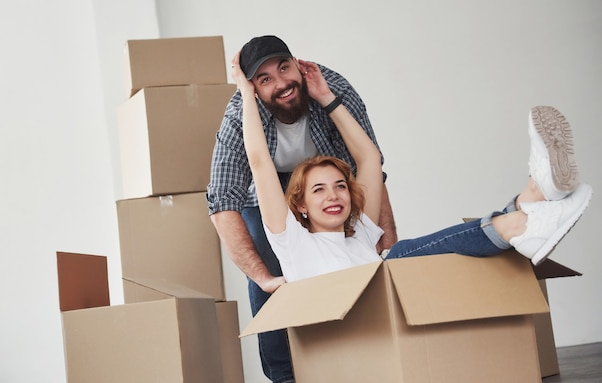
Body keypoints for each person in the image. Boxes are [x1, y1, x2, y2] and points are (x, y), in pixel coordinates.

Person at [232, 50, 592, 286]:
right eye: (319, 190)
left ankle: (533, 195)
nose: (334, 196)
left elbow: (369, 159)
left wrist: (325, 97)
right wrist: (247, 94)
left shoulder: (360, 234)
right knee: (397, 256)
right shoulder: (291, 242)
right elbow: (260, 162)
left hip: (391, 309)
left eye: (340, 186)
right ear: (299, 206)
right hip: (349, 329)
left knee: (395, 256)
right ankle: (519, 221)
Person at [207, 35, 396, 383]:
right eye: (263, 79)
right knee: (268, 260)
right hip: (268, 192)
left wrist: (385, 240)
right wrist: (263, 278)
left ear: (296, 63)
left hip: (327, 176)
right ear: (252, 88)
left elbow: (370, 164)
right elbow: (228, 197)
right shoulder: (239, 117)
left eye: (283, 68)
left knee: (388, 253)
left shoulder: (330, 89)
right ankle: (286, 381)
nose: (280, 82)